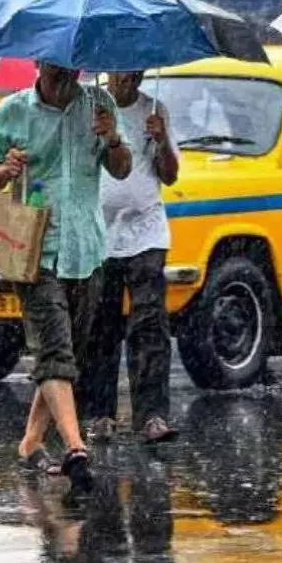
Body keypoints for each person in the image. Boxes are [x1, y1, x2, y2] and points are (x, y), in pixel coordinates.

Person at [0, 62, 131, 492]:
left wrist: (113, 137)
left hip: (86, 248)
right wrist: (4, 170)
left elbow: (121, 168)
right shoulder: (13, 111)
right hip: (35, 250)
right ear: (38, 64)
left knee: (66, 356)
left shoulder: (100, 105)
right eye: (54, 63)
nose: (64, 73)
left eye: (71, 65)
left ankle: (29, 442)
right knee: (54, 350)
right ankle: (76, 447)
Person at [80, 70, 179, 445]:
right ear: (109, 72)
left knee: (149, 325)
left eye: (136, 72)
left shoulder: (155, 110)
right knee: (99, 328)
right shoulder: (88, 108)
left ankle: (152, 415)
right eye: (123, 72)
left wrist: (163, 140)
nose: (129, 79)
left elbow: (169, 176)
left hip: (147, 233)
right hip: (98, 235)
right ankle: (99, 414)